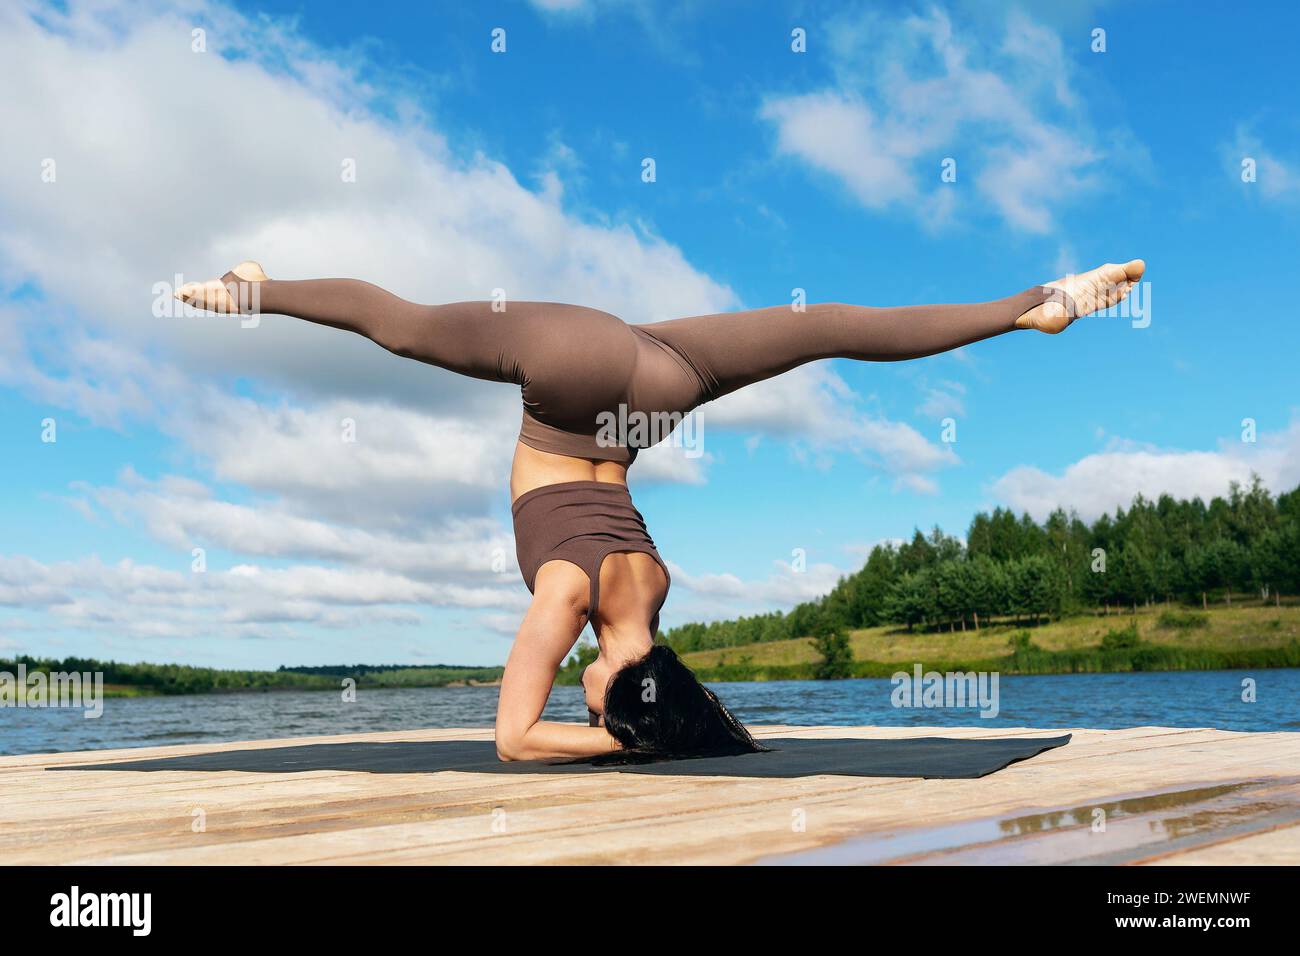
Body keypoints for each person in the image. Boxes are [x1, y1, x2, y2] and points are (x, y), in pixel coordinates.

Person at [177, 257, 1145, 761]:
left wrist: (671, 723)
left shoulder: (654, 592)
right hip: (576, 374)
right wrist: (619, 745)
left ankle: (1031, 302)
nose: (578, 692)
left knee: (824, 329)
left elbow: (670, 698)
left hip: (650, 386)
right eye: (592, 697)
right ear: (610, 688)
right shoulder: (570, 593)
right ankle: (257, 292)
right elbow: (514, 740)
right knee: (407, 327)